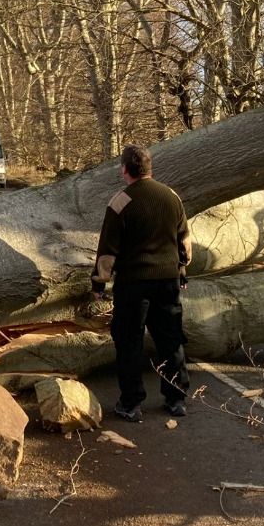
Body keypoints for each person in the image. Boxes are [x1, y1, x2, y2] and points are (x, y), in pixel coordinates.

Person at [91, 144, 191, 421]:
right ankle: (176, 398)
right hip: (168, 281)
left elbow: (108, 250)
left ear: (124, 169)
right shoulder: (171, 197)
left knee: (129, 342)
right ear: (149, 168)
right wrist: (181, 271)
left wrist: (99, 283)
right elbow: (183, 240)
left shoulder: (120, 202)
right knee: (170, 341)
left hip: (133, 284)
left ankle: (131, 403)